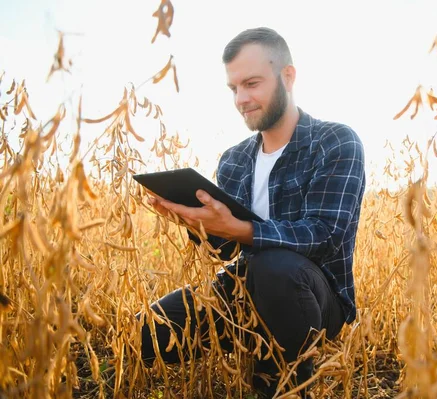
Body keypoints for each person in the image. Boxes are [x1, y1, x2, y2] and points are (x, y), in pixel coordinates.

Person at [137, 27, 366, 397]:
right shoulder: (234, 160)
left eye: (252, 83)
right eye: (234, 88)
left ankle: (287, 385)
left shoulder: (335, 142)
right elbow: (225, 251)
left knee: (274, 266)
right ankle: (249, 336)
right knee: (143, 332)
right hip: (243, 291)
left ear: (287, 77)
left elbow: (324, 234)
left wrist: (241, 228)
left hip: (315, 297)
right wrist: (195, 223)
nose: (241, 99)